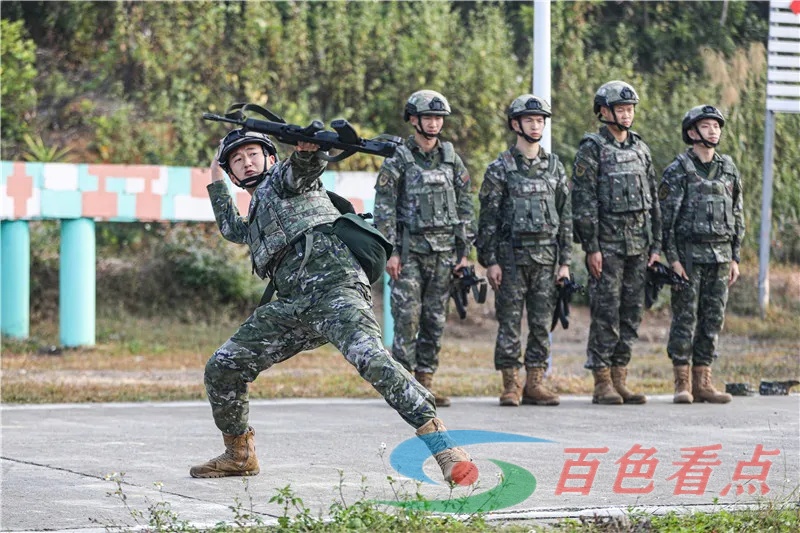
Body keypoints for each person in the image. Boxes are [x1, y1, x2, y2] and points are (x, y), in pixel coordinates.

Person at [190, 127, 477, 486]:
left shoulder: (284, 180)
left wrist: (308, 150)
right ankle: (239, 454)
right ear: (232, 172)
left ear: (271, 158)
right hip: (293, 305)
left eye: (253, 154)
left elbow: (304, 169)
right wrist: (215, 174)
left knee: (371, 358)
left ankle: (446, 450)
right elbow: (232, 227)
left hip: (336, 289)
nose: (247, 163)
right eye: (237, 160)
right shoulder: (257, 214)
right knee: (223, 366)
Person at [373, 90, 475, 407]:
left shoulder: (450, 158)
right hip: (409, 252)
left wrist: (464, 251)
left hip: (444, 253)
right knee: (407, 318)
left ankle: (426, 382)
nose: (433, 123)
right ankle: (404, 388)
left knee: (435, 320)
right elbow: (384, 208)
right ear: (414, 120)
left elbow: (465, 204)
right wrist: (390, 252)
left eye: (438, 118)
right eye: (427, 117)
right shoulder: (398, 160)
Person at [476, 95, 572, 407]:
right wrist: (489, 261)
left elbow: (565, 216)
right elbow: (487, 219)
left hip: (546, 260)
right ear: (516, 124)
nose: (536, 125)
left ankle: (535, 382)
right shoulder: (499, 168)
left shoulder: (555, 167)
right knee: (509, 323)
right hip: (511, 259)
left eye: (540, 120)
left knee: (542, 323)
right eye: (530, 119)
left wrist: (566, 262)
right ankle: (510, 384)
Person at [571, 80, 662, 405]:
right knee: (606, 312)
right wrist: (591, 246)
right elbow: (583, 202)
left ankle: (621, 375)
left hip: (639, 247)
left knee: (632, 312)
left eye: (630, 109)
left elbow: (653, 199)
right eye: (621, 109)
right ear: (604, 112)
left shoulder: (640, 148)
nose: (627, 114)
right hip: (607, 247)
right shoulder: (592, 148)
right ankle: (602, 381)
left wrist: (656, 245)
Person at [659, 105, 744, 404]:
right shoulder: (678, 170)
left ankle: (703, 381)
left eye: (716, 126)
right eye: (706, 126)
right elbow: (665, 221)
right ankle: (682, 382)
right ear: (692, 132)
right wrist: (673, 260)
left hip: (720, 258)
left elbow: (737, 213)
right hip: (689, 257)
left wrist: (735, 257)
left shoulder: (729, 168)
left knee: (712, 319)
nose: (713, 131)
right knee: (685, 318)